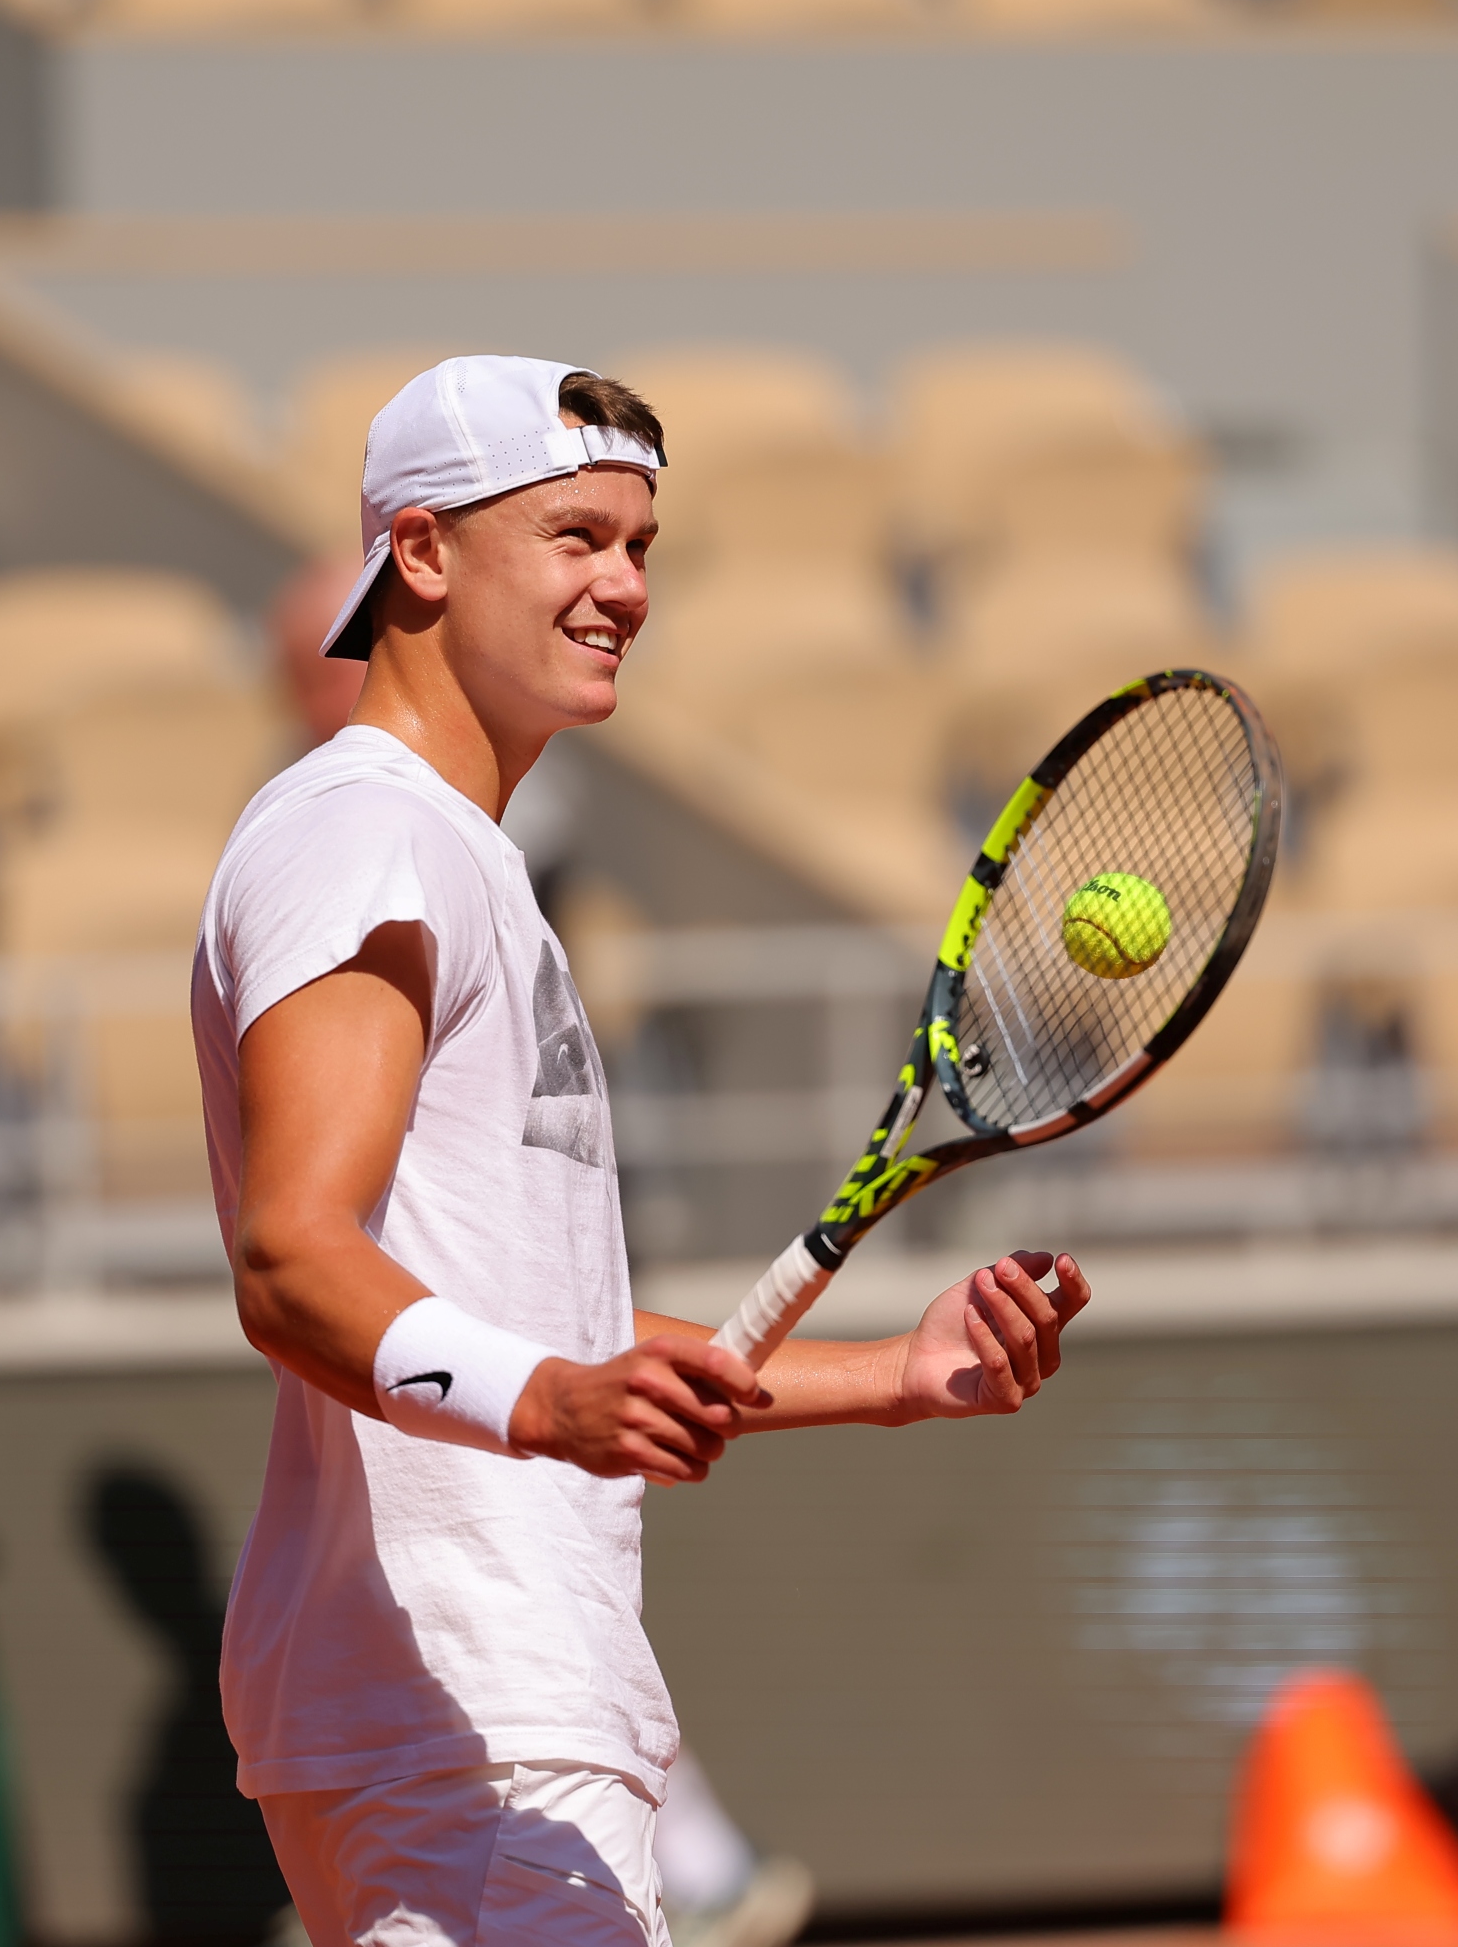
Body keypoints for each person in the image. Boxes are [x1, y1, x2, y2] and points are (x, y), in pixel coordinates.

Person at [193, 355, 1093, 1947]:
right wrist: (549, 1403)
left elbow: (551, 1329)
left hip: (491, 1708)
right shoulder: (368, 833)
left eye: (640, 547)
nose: (625, 588)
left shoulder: (454, 854)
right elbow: (290, 1260)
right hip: (470, 1712)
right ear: (422, 553)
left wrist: (892, 1374)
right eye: (577, 538)